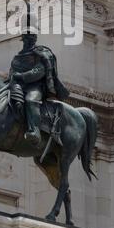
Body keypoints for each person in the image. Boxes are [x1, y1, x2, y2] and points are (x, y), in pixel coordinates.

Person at [8, 13, 69, 146]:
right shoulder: (17, 57)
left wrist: (21, 76)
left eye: (32, 36)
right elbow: (11, 73)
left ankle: (34, 129)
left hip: (35, 87)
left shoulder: (42, 53)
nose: (29, 39)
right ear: (23, 38)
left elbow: (38, 72)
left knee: (30, 100)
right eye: (27, 36)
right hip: (18, 86)